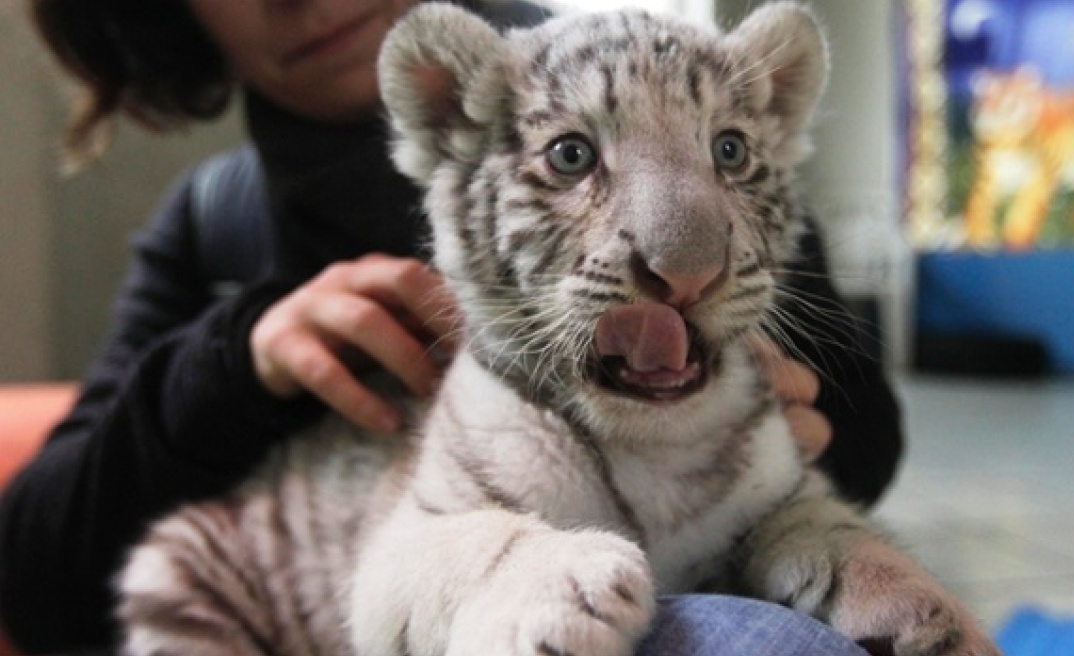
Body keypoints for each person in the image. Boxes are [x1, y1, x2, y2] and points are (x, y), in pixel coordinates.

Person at [0, 0, 902, 654]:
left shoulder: (674, 94)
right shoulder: (212, 222)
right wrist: (232, 364)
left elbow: (866, 428)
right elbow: (38, 573)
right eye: (571, 157)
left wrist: (759, 429)